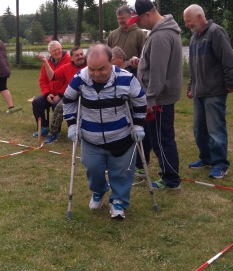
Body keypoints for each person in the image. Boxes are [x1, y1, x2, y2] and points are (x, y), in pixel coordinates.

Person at [63, 44, 147, 219]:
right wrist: (72, 124)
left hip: (121, 136)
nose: (96, 74)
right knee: (92, 168)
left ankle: (118, 201)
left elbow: (140, 101)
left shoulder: (127, 78)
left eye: (102, 69)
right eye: (92, 69)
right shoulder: (80, 78)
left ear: (112, 62)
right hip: (90, 137)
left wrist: (138, 125)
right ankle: (98, 191)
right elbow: (69, 99)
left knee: (122, 172)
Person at [128, 0, 182, 189]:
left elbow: (159, 73)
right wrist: (142, 63)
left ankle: (171, 179)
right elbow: (156, 63)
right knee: (155, 135)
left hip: (159, 99)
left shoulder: (160, 36)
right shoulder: (162, 33)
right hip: (160, 96)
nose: (137, 24)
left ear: (148, 15)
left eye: (139, 20)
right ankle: (147, 168)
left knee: (162, 138)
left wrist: (150, 100)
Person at [184, 5, 233, 178]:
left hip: (214, 92)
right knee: (199, 129)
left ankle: (220, 164)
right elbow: (193, 67)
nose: (187, 25)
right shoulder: (194, 37)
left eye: (188, 21)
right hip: (199, 92)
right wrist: (191, 86)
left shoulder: (216, 32)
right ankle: (205, 159)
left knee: (215, 130)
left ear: (199, 17)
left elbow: (228, 60)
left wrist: (230, 83)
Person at [111, 46, 151, 177]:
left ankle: (141, 164)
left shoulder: (134, 69)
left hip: (135, 107)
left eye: (112, 58)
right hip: (119, 109)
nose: (109, 61)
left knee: (140, 135)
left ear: (121, 58)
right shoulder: (112, 72)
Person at [36, 46, 87, 144]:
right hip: (72, 96)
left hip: (88, 96)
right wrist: (46, 62)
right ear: (71, 58)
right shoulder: (66, 67)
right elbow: (53, 76)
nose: (80, 57)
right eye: (77, 55)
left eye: (81, 54)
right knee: (59, 107)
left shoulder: (90, 65)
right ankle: (53, 134)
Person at [32, 40, 71, 137]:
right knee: (36, 102)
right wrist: (46, 94)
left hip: (64, 95)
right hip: (50, 94)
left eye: (59, 49)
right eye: (54, 51)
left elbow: (69, 81)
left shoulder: (69, 60)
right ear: (50, 53)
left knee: (57, 105)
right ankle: (44, 127)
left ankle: (56, 130)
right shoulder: (46, 63)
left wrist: (60, 95)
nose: (57, 52)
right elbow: (42, 81)